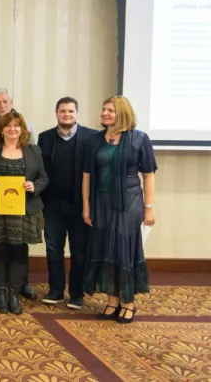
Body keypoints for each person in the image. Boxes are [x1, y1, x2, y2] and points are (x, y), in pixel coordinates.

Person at [83, 96, 156, 324]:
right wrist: (86, 207)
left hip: (129, 202)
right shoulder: (95, 140)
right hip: (101, 201)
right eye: (103, 109)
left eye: (110, 110)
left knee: (123, 249)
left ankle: (128, 303)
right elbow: (87, 176)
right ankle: (112, 302)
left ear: (122, 113)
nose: (104, 113)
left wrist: (149, 208)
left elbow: (148, 175)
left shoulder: (139, 139)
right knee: (106, 248)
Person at [0, 111, 47, 315]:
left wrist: (34, 186)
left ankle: (14, 295)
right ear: (1, 130)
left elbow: (43, 177)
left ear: (22, 129)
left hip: (23, 212)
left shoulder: (33, 150)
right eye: (8, 126)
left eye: (16, 125)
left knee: (18, 253)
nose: (12, 129)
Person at [37, 97, 97, 309]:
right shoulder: (45, 138)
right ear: (56, 113)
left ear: (76, 113)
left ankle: (76, 293)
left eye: (71, 111)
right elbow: (40, 171)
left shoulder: (91, 137)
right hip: (52, 204)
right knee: (53, 248)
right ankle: (55, 290)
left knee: (79, 251)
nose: (67, 115)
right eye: (63, 111)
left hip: (80, 205)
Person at [0, 87, 37, 300]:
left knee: (18, 249)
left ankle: (17, 288)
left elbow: (38, 171)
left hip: (22, 206)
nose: (2, 105)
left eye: (5, 101)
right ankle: (0, 290)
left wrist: (33, 185)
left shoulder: (30, 140)